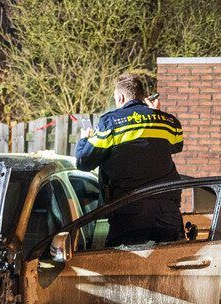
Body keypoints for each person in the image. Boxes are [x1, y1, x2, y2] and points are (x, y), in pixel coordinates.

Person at [75, 73, 185, 247]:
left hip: (128, 214)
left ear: (120, 97)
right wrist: (156, 113)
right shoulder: (169, 122)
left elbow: (83, 161)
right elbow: (176, 146)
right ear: (142, 96)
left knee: (124, 269)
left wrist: (85, 139)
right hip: (167, 213)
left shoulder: (110, 122)